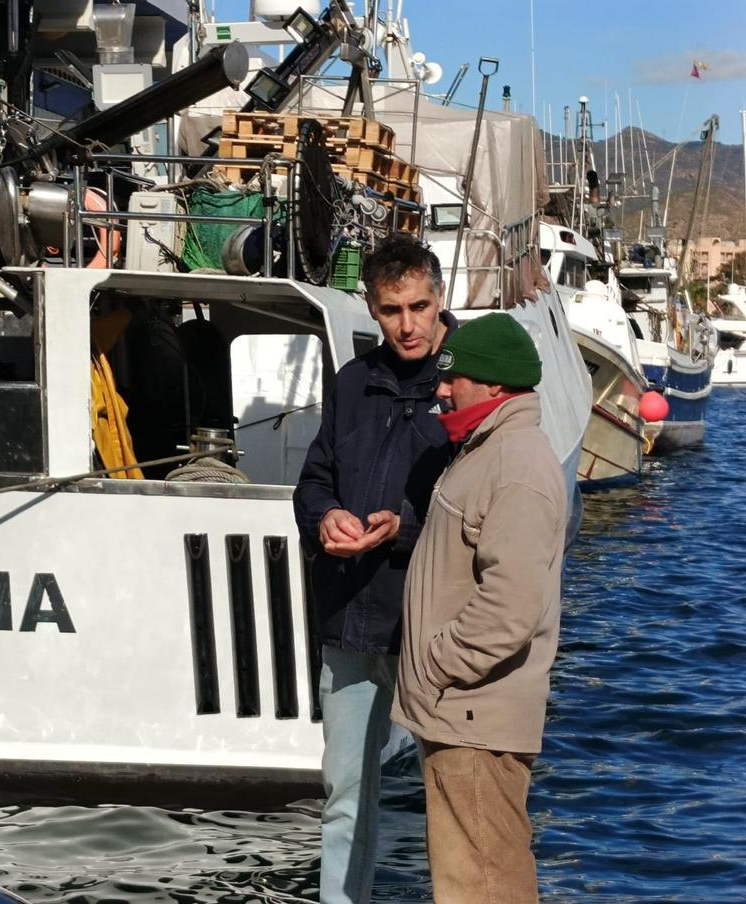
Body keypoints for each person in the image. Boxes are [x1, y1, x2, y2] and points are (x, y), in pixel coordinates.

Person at [294, 234, 456, 904]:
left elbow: (485, 501)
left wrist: (404, 529)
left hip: (439, 630)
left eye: (419, 305)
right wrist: (324, 516)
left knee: (454, 804)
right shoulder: (351, 382)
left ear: (441, 298)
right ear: (372, 307)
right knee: (345, 798)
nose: (408, 324)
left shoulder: (469, 379)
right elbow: (313, 479)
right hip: (352, 622)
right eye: (392, 310)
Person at [390, 312, 566, 904]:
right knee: (471, 879)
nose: (441, 388)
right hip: (462, 714)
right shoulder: (488, 451)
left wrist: (438, 664)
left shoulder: (514, 464)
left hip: (473, 717)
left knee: (484, 884)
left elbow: (509, 608)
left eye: (453, 377)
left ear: (493, 386)